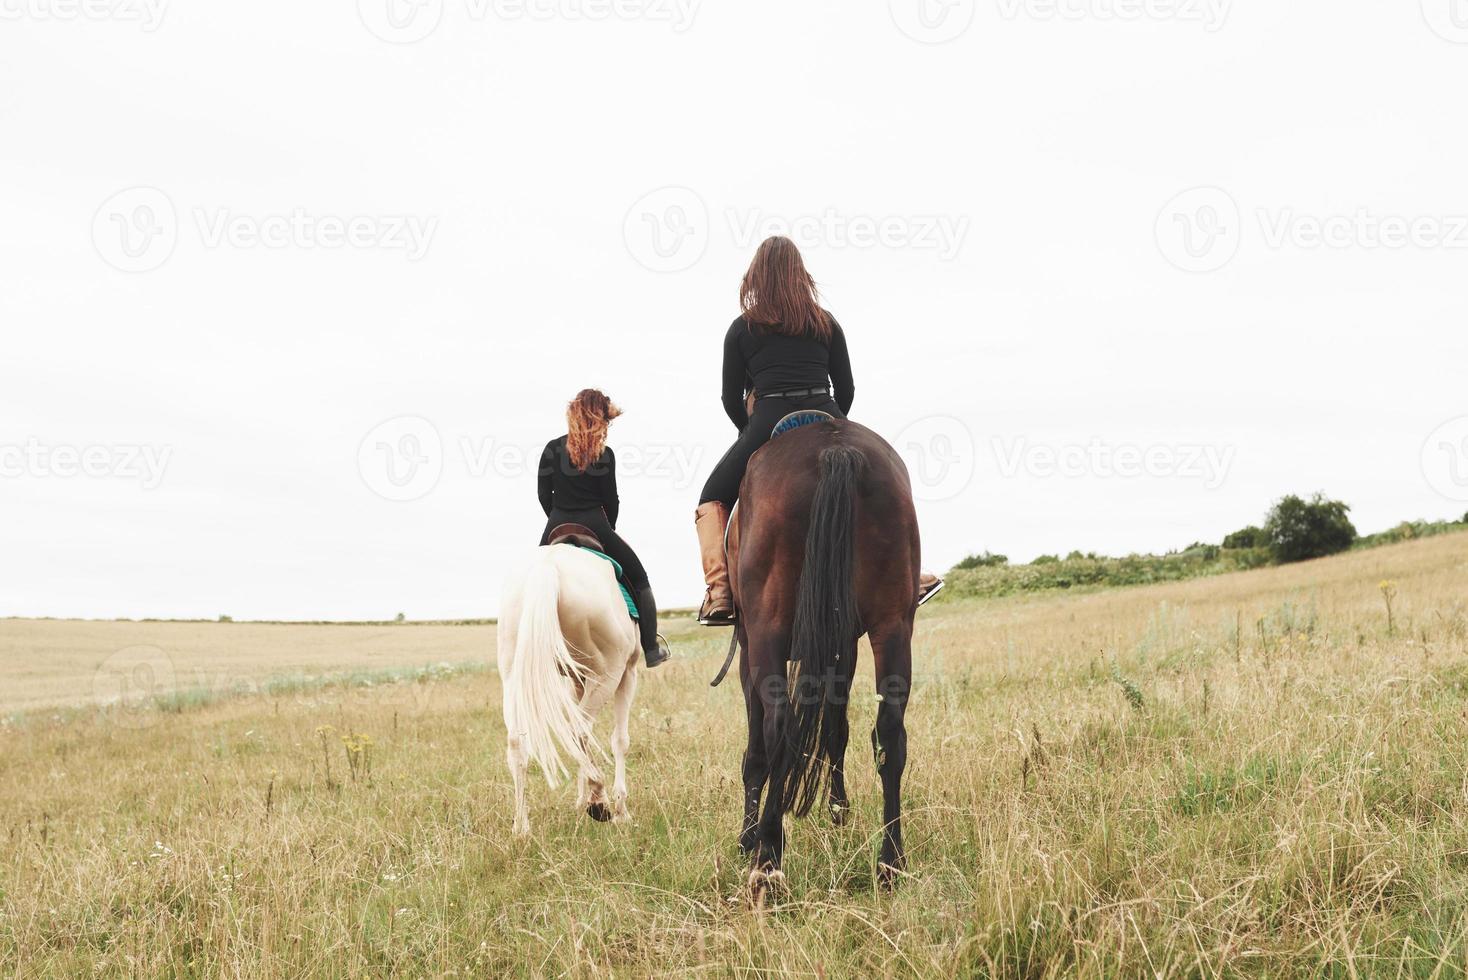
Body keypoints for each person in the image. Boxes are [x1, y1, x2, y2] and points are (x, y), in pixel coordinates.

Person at [692, 236, 942, 625]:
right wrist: (834, 428)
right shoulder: (826, 323)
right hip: (826, 412)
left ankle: (720, 589)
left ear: (756, 276)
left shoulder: (742, 329)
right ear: (799, 273)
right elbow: (847, 389)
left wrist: (754, 440)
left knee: (710, 497)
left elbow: (729, 397)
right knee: (885, 479)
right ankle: (909, 574)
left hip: (768, 418)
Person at [538, 389, 669, 668]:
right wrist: (608, 530)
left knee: (535, 578)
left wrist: (557, 519)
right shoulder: (604, 454)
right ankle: (651, 648)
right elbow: (612, 500)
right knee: (640, 578)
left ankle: (538, 649)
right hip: (595, 524)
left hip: (556, 523)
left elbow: (542, 494)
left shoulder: (551, 448)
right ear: (599, 419)